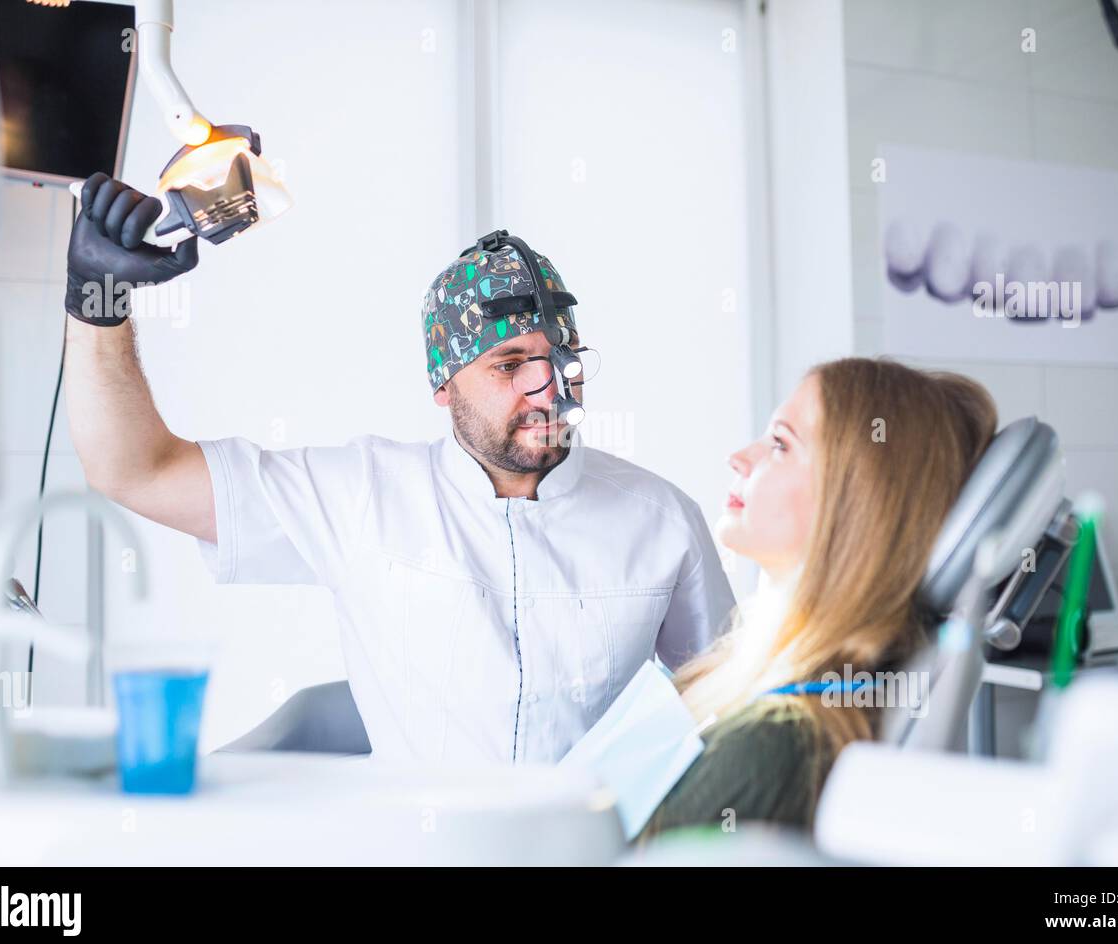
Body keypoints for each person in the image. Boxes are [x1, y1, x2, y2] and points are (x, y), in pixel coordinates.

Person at [62, 173, 735, 764]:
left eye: (560, 356)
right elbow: (134, 470)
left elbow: (728, 715)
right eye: (508, 364)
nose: (547, 385)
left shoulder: (663, 521)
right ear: (443, 383)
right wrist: (99, 299)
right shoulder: (361, 496)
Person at [639, 357, 997, 839]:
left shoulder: (773, 746)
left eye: (781, 444)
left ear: (857, 501)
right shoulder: (746, 686)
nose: (740, 457)